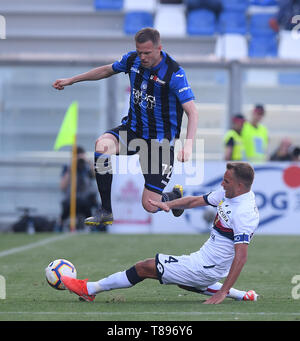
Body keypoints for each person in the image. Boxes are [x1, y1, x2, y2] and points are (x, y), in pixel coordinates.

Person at [53, 28, 199, 227]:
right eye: (139, 52)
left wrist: (188, 146)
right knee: (102, 146)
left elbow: (192, 111)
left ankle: (173, 197)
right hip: (133, 131)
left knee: (150, 205)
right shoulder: (132, 60)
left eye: (147, 53)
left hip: (159, 143)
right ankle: (105, 211)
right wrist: (72, 80)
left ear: (159, 48)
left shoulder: (174, 73)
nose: (143, 57)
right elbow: (106, 69)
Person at [61, 162, 259, 304]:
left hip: (206, 267)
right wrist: (167, 204)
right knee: (186, 283)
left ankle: (90, 289)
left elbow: (241, 257)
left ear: (240, 186)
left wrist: (222, 291)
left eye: (226, 181)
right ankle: (243, 295)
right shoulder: (228, 193)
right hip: (204, 261)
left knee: (144, 267)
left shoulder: (244, 213)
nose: (222, 184)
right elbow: (193, 201)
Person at [59, 146, 98, 230]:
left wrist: (88, 162)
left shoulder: (86, 168)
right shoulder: (68, 168)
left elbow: (96, 176)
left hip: (86, 199)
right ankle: (60, 226)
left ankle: (92, 227)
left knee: (90, 206)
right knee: (66, 208)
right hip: (71, 200)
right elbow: (62, 186)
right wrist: (71, 168)